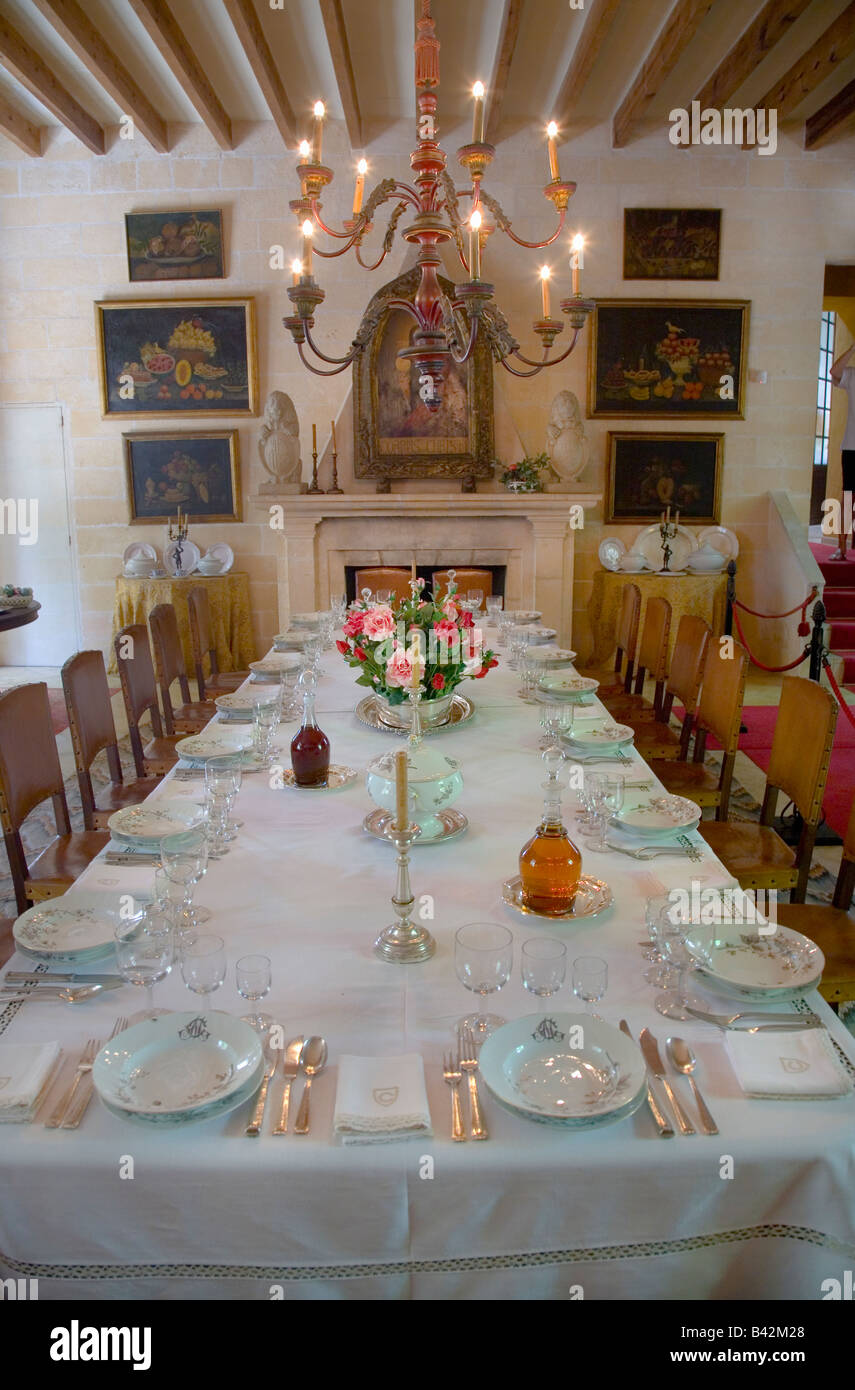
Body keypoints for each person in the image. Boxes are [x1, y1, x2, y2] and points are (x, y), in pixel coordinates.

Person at [830, 341, 855, 558]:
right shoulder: (852, 376)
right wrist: (852, 348)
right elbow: (834, 371)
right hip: (852, 446)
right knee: (848, 497)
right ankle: (842, 548)